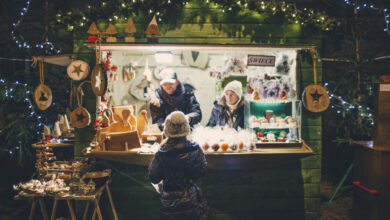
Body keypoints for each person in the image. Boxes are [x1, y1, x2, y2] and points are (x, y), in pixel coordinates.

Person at [148, 111, 209, 220]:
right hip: (191, 199)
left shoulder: (162, 153)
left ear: (167, 129)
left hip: (168, 203)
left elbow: (153, 177)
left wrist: (161, 186)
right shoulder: (195, 148)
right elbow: (202, 171)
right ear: (187, 127)